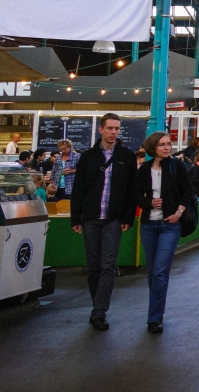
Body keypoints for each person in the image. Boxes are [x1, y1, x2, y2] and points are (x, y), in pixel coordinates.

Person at [70, 113, 139, 331]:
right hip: (91, 217)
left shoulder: (126, 157)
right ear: (100, 129)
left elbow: (131, 191)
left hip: (113, 218)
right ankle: (97, 305)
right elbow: (79, 189)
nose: (113, 132)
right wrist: (76, 217)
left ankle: (99, 311)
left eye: (117, 129)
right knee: (93, 266)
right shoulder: (88, 157)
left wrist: (127, 217)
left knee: (108, 265)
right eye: (110, 128)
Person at [135, 131, 193, 333]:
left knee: (160, 271)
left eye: (169, 144)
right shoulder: (143, 170)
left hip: (170, 225)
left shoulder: (176, 166)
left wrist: (179, 211)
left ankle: (154, 318)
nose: (167, 147)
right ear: (153, 147)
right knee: (152, 273)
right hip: (149, 225)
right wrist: (148, 202)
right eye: (162, 144)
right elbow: (135, 195)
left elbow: (188, 191)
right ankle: (156, 311)